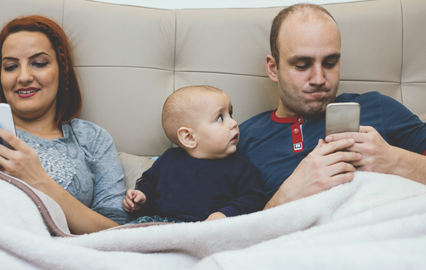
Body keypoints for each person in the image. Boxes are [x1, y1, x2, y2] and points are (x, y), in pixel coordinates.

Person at [0, 15, 130, 234]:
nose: (23, 76)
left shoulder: (92, 139)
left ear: (62, 71)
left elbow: (119, 234)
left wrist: (39, 181)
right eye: (11, 66)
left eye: (39, 63)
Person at [238, 3, 426, 209]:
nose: (319, 79)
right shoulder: (242, 139)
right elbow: (225, 229)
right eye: (302, 65)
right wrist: (286, 196)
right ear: (273, 68)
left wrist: (395, 161)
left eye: (330, 62)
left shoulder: (378, 107)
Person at [122, 86, 266, 223]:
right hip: (159, 224)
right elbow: (149, 184)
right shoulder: (169, 159)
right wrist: (141, 197)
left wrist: (225, 213)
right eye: (220, 118)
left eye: (231, 114)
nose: (234, 123)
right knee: (125, 234)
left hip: (209, 228)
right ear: (189, 138)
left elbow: (253, 199)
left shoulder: (241, 167)